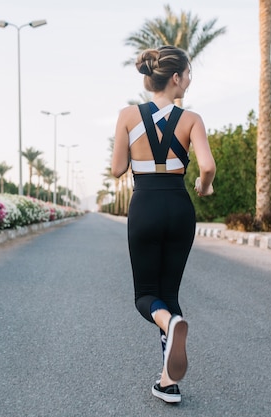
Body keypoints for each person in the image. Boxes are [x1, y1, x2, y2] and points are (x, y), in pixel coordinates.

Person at [111, 45, 216, 404]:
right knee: (170, 294)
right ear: (175, 78)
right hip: (180, 207)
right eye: (188, 74)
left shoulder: (128, 115)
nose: (189, 80)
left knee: (146, 296)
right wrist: (204, 186)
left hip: (145, 206)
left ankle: (169, 325)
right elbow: (207, 168)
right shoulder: (192, 120)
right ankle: (168, 383)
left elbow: (116, 169)